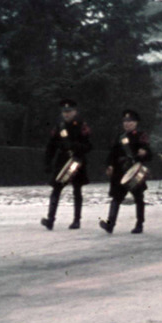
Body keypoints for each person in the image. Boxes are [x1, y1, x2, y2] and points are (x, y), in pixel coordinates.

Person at [41, 98, 93, 230]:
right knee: (56, 188)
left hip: (77, 160)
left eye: (69, 111)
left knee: (77, 190)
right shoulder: (59, 126)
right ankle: (50, 219)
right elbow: (51, 146)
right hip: (62, 160)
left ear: (75, 112)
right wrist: (47, 162)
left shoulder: (82, 126)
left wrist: (75, 146)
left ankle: (77, 220)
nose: (66, 114)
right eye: (64, 111)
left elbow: (89, 146)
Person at [100, 109, 150, 234]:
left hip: (134, 171)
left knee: (138, 198)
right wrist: (109, 165)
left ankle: (139, 224)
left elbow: (149, 153)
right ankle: (110, 224)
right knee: (116, 198)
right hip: (120, 172)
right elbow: (112, 154)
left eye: (130, 121)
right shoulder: (120, 137)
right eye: (125, 121)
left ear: (136, 123)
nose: (127, 123)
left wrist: (144, 153)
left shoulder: (141, 136)